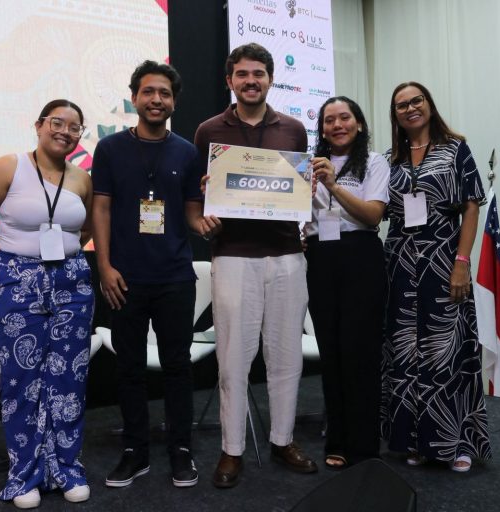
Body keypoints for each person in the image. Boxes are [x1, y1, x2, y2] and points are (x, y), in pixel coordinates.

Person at [194, 42, 317, 488]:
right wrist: (206, 201)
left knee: (286, 355)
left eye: (258, 74)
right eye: (242, 74)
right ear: (230, 80)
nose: (251, 81)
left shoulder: (294, 129)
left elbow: (298, 188)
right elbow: (197, 195)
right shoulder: (209, 130)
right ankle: (232, 450)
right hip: (232, 256)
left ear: (270, 79)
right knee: (232, 359)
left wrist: (304, 194)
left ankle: (283, 440)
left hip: (287, 255)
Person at [91, 60, 217, 489]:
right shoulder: (109, 149)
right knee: (129, 369)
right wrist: (104, 267)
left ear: (174, 101)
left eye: (164, 93)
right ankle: (135, 452)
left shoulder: (187, 152)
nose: (156, 99)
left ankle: (180, 450)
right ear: (134, 97)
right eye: (148, 92)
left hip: (175, 277)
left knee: (177, 367)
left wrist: (208, 224)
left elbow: (192, 214)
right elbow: (101, 209)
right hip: (124, 277)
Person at [0, 99, 94, 508]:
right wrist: (6, 268)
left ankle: (66, 467)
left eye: (74, 127)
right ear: (39, 125)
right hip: (17, 283)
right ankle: (24, 474)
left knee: (69, 377)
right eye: (57, 122)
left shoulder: (81, 178)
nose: (65, 131)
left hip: (72, 283)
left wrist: (64, 260)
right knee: (22, 380)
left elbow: (86, 228)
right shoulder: (8, 167)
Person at [380, 82, 491, 473]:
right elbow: (372, 209)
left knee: (448, 349)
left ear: (428, 104)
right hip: (398, 263)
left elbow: (471, 207)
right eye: (401, 105)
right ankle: (414, 440)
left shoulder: (455, 149)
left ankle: (456, 442)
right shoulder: (388, 159)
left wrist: (462, 261)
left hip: (444, 260)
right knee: (405, 352)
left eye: (417, 100)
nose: (410, 108)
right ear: (394, 115)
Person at [305, 96, 389, 469]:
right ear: (322, 129)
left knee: (361, 352)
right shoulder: (307, 166)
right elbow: (299, 218)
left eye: (344, 118)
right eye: (329, 120)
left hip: (361, 256)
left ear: (358, 124)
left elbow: (372, 215)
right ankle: (337, 440)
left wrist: (334, 185)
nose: (337, 125)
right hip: (320, 257)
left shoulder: (374, 162)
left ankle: (365, 444)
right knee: (332, 352)